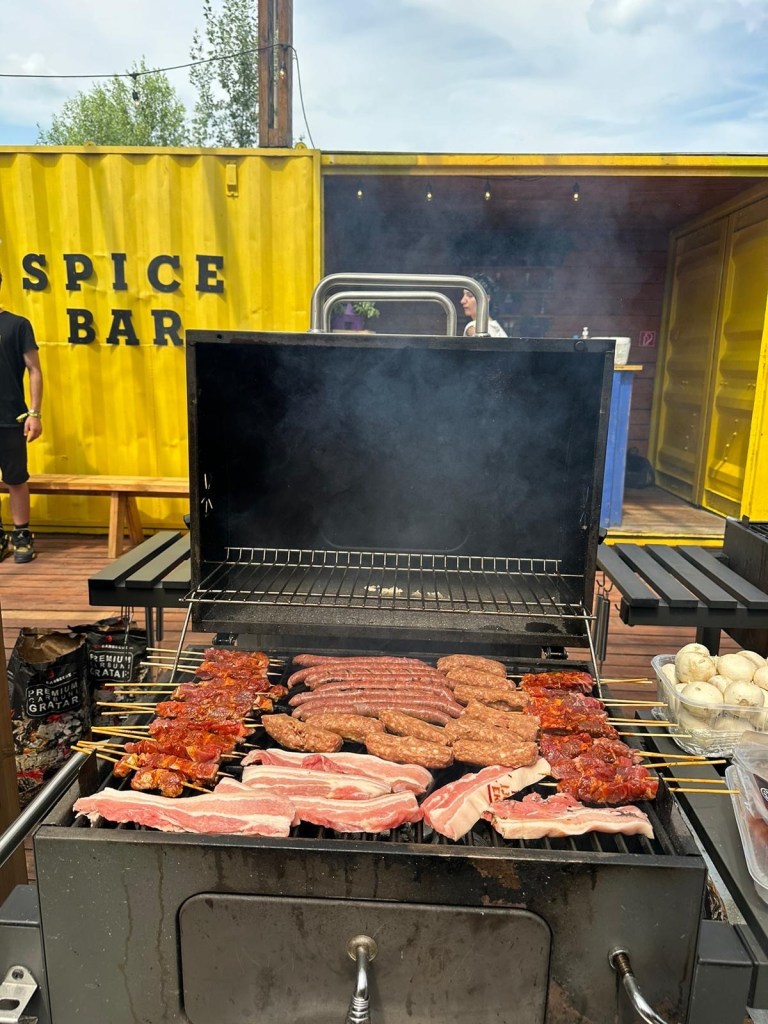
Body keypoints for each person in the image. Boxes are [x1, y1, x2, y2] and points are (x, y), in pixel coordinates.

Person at [0, 269, 43, 563]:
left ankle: (22, 534)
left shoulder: (17, 325)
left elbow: (34, 370)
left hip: (10, 417)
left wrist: (34, 413)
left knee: (16, 479)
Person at [460, 272, 508, 338]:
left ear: (486, 299)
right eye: (463, 295)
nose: (462, 301)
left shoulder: (473, 327)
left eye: (470, 295)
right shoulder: (497, 327)